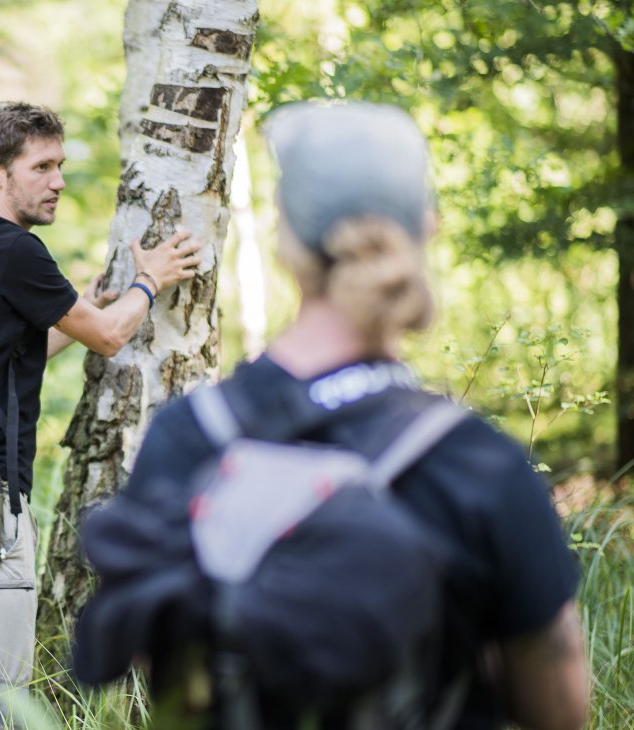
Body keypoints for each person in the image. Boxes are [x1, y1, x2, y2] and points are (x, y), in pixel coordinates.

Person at [73, 102, 590, 728]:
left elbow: (164, 667)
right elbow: (558, 706)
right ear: (425, 231)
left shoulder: (190, 436)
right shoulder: (477, 462)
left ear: (287, 246)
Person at [0, 101, 203, 727]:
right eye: (42, 166)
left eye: (61, 165)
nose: (58, 181)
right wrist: (151, 280)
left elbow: (1, 361)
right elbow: (110, 336)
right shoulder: (15, 251)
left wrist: (81, 312)